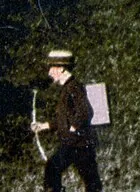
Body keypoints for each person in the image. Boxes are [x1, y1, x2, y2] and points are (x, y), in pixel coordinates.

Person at [30, 48, 101, 192]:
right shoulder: (67, 88)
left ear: (61, 69)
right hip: (75, 143)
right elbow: (65, 119)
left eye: (52, 68)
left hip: (78, 144)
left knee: (55, 168)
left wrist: (73, 128)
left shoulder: (73, 87)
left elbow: (86, 111)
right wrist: (44, 126)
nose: (49, 72)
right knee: (89, 179)